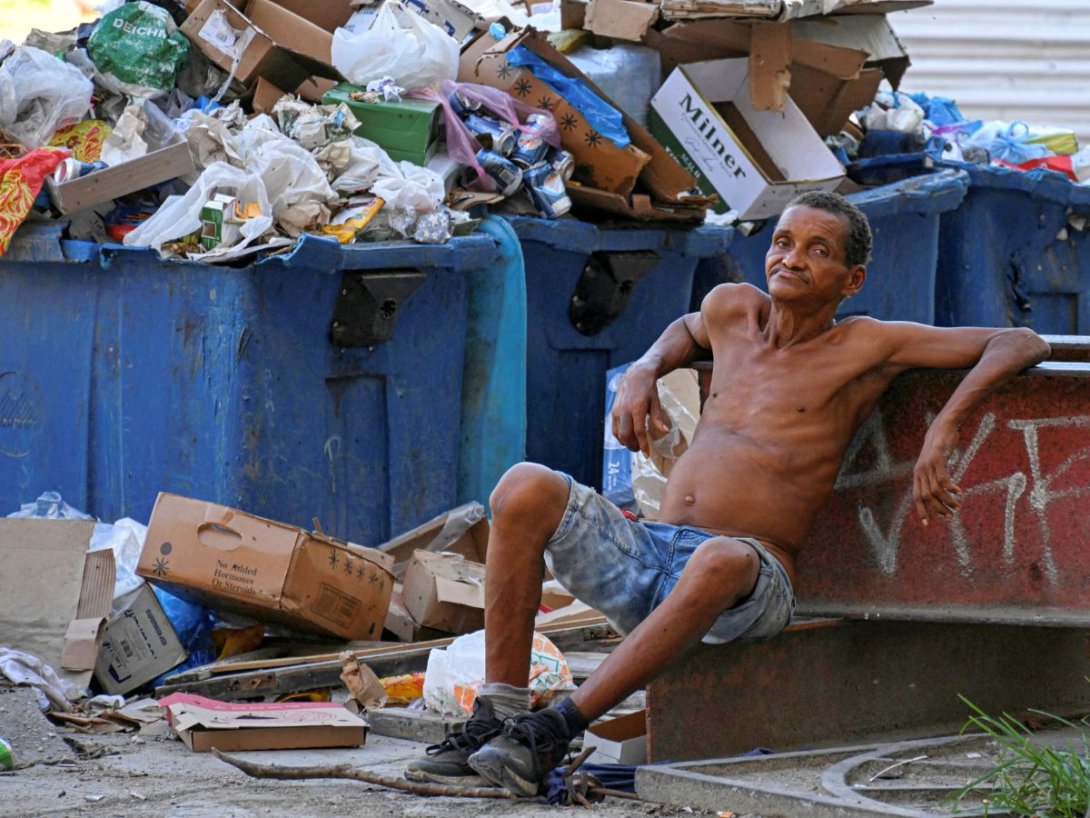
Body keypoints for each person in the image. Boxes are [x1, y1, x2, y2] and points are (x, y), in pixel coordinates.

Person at [405, 191, 1051, 797]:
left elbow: (1018, 341)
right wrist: (644, 368)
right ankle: (498, 717)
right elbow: (688, 325)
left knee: (721, 556)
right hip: (650, 559)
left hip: (747, 581)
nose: (792, 258)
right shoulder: (732, 309)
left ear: (851, 281)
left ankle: (552, 733)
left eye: (818, 251)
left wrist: (944, 428)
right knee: (524, 486)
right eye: (783, 242)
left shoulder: (865, 344)